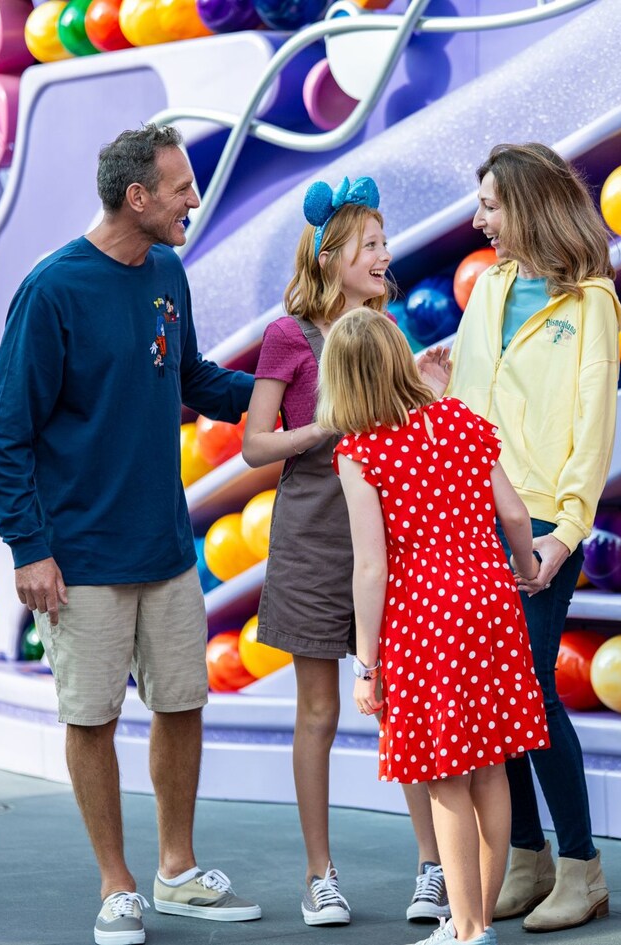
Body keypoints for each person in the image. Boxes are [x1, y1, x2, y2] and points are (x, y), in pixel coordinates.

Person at [0, 123, 262, 945]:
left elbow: (192, 376)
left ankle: (176, 870)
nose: (193, 200)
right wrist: (29, 547)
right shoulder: (52, 291)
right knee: (92, 718)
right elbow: (5, 434)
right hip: (80, 558)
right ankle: (117, 885)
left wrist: (290, 386)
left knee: (182, 703)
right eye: (180, 188)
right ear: (137, 197)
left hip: (165, 548)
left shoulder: (167, 272)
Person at [239, 177, 451, 928]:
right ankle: (319, 875)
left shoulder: (387, 331)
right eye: (371, 244)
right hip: (311, 535)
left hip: (389, 538)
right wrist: (326, 427)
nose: (385, 255)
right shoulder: (288, 337)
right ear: (330, 258)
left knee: (399, 704)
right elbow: (253, 444)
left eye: (385, 243)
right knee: (320, 711)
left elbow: (411, 433)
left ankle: (435, 867)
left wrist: (428, 389)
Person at [420, 142, 619, 933]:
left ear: (529, 205)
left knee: (530, 690)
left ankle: (582, 868)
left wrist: (564, 534)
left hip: (540, 522)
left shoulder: (591, 301)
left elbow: (593, 428)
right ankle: (528, 860)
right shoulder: (489, 289)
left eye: (491, 206)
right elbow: (469, 407)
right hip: (471, 517)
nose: (479, 222)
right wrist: (436, 393)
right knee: (491, 694)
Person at [322, 308, 548, 945]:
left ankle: (469, 929)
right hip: (492, 602)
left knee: (446, 776)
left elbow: (372, 567)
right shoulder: (460, 419)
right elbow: (515, 515)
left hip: (425, 616)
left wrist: (367, 666)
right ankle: (476, 922)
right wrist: (527, 568)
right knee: (492, 766)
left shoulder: (360, 452)